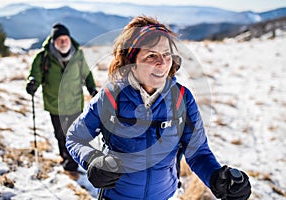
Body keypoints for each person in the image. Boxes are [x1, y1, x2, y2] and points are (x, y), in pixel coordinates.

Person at [66, 16, 251, 199]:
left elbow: (198, 152)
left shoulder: (182, 99)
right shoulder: (110, 97)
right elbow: (75, 137)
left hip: (163, 195)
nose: (162, 63)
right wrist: (92, 160)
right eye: (151, 55)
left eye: (166, 54)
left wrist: (216, 178)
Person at [26, 23, 98, 172]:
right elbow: (35, 75)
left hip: (74, 102)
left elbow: (86, 73)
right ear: (54, 41)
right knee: (60, 133)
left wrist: (91, 87)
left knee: (74, 133)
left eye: (66, 38)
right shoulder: (43, 57)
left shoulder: (78, 55)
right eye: (60, 39)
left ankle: (72, 161)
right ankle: (64, 155)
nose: (64, 42)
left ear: (70, 39)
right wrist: (32, 83)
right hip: (55, 104)